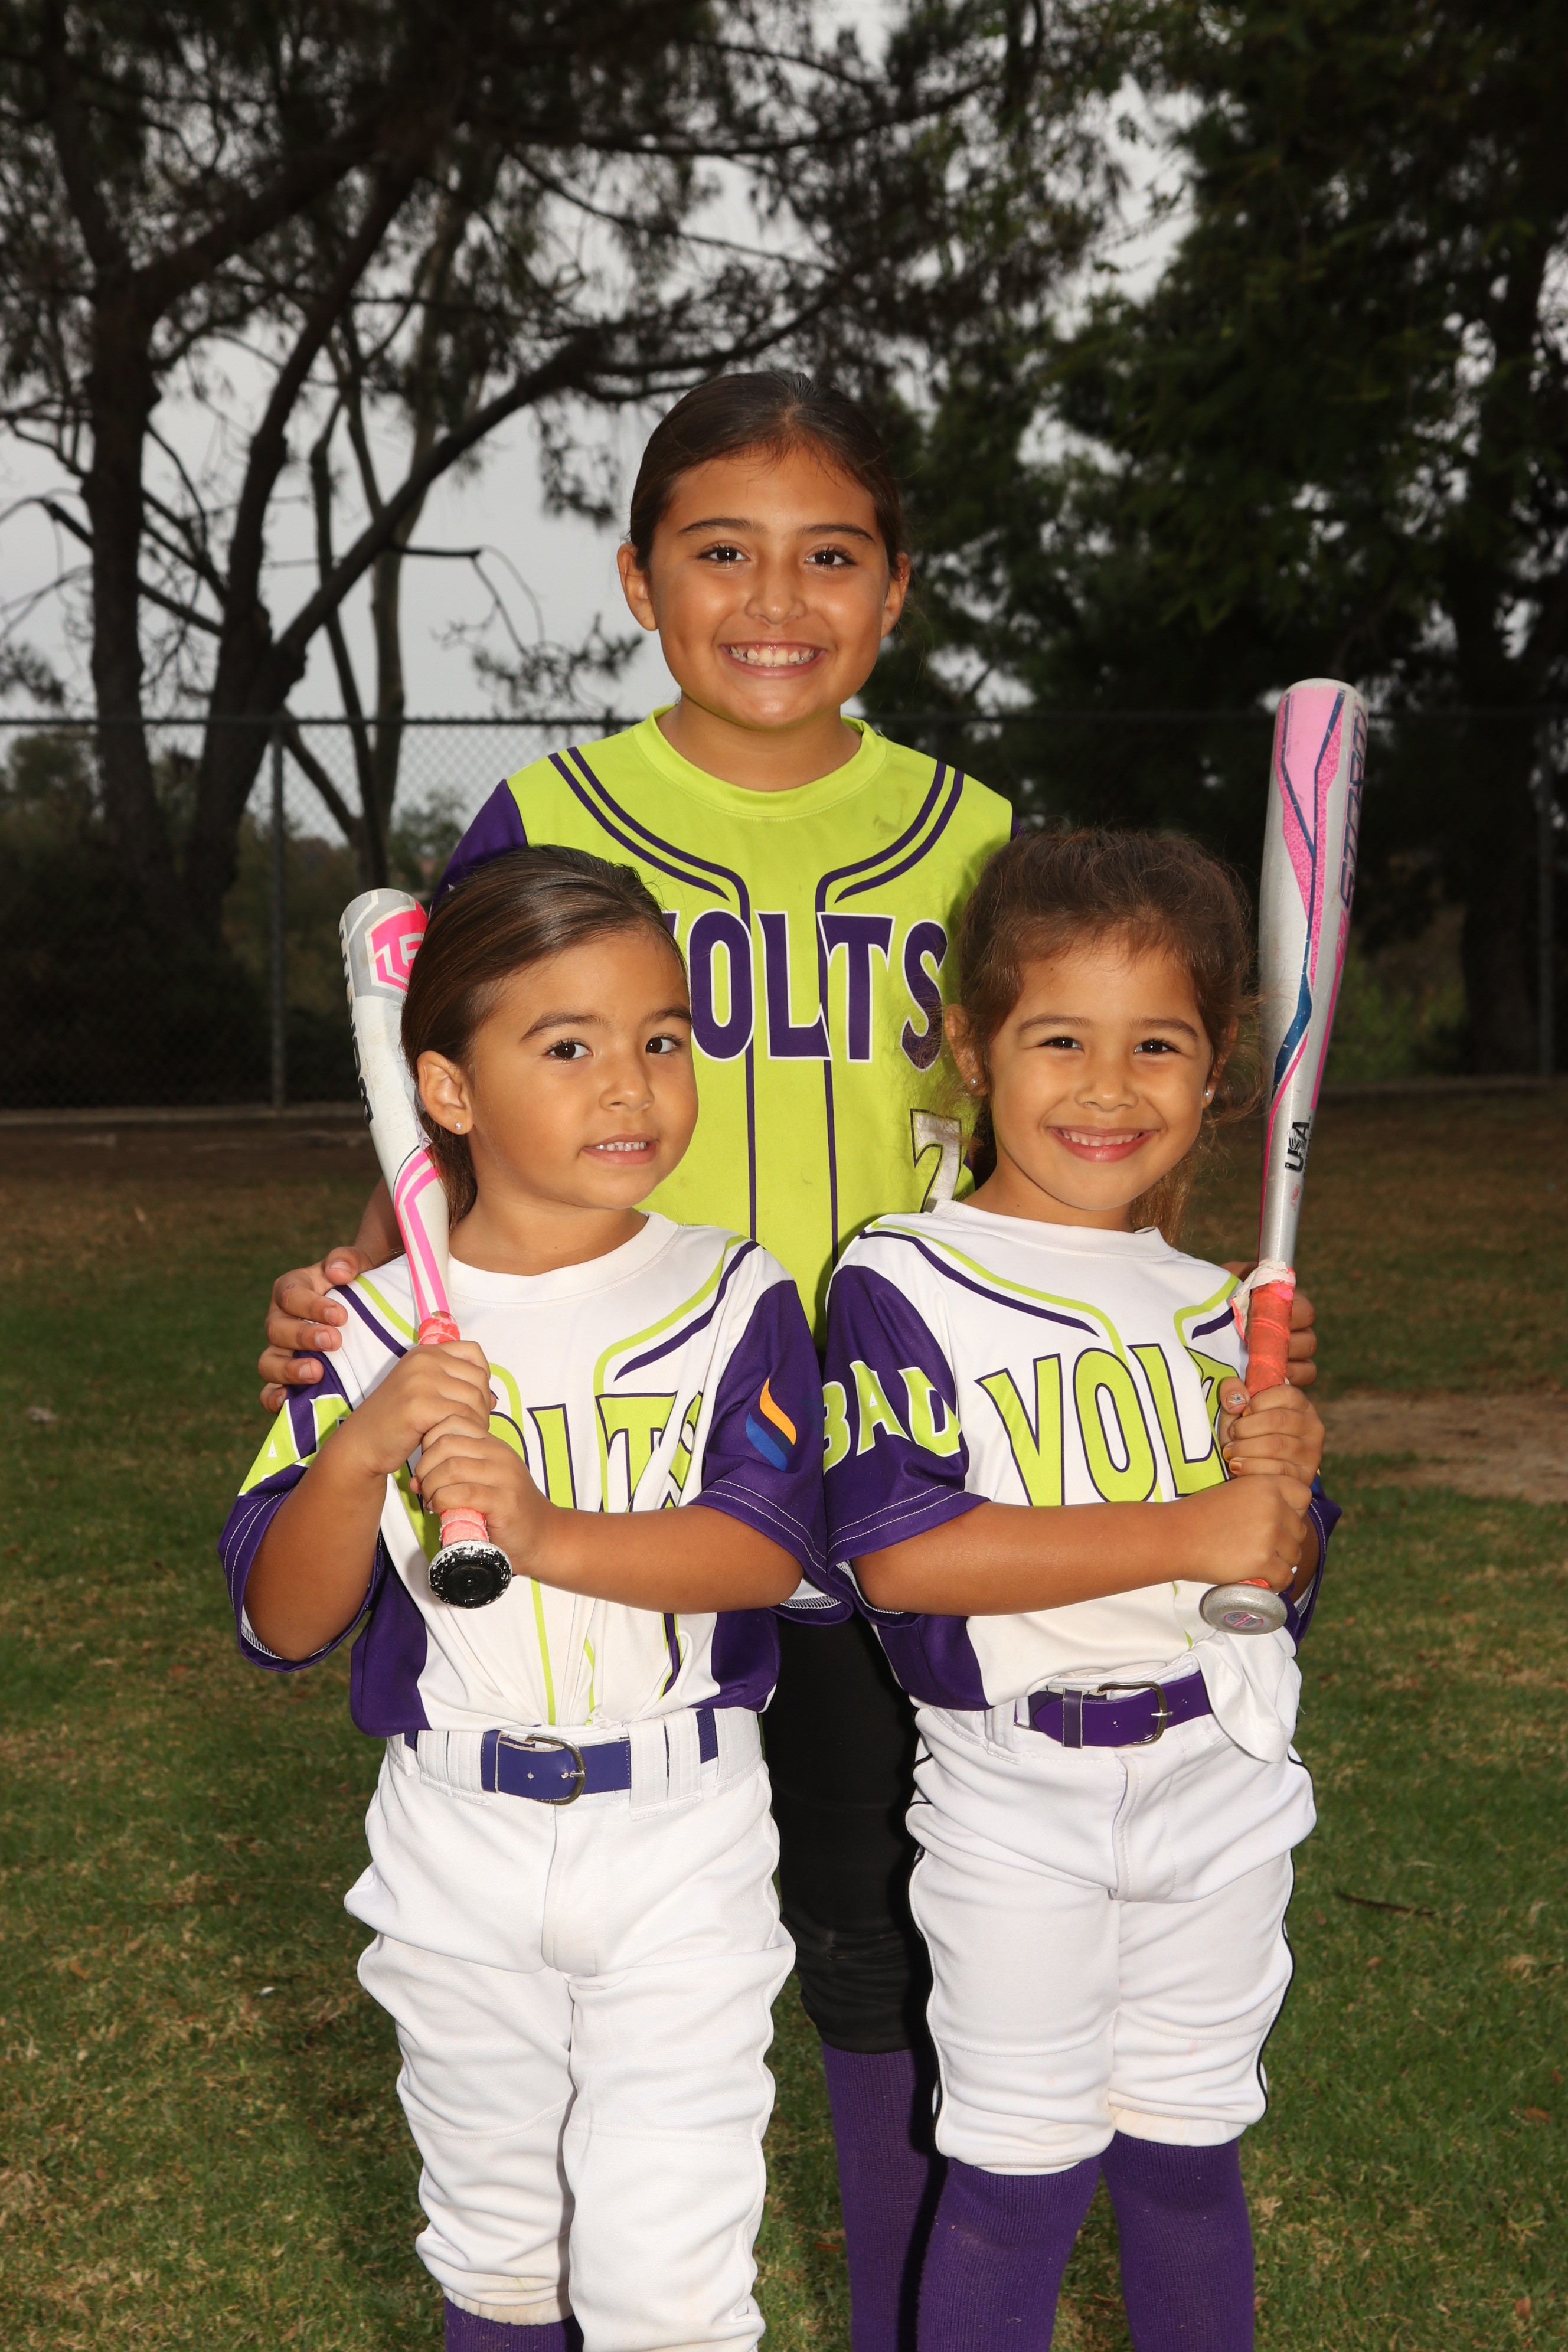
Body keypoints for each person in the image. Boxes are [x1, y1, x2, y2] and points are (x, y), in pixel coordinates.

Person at [254, 373, 1320, 2351]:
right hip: (654, 1443)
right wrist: (367, 1288)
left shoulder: (975, 831)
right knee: (742, 1930)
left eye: (828, 555)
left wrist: (1190, 1319)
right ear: (639, 580)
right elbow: (459, 1074)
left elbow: (1079, 1120)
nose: (772, 598)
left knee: (893, 1953)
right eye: (719, 552)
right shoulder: (546, 817)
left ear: (896, 587)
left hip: (933, 1453)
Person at [222, 848, 829, 2351]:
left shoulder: (733, 1291)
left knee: (669, 2283)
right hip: (455, 1841)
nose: (631, 1085)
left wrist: (545, 1529)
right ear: (444, 1089)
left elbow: (761, 1552)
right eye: (567, 1048)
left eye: (663, 1039)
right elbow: (283, 1623)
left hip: (680, 1828)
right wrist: (362, 1446)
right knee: (498, 2254)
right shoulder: (361, 1325)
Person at [820, 828, 1339, 2352]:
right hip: (1016, 1799)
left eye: (1156, 1045)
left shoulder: (1220, 1307)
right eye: (1060, 1040)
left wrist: (1284, 1502)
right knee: (1015, 2179)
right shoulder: (901, 1274)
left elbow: (1271, 1574)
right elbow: (904, 1555)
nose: (1108, 1089)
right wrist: (1197, 1524)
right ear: (971, 1047)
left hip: (1219, 1774)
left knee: (1186, 2160)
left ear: (1219, 1067)